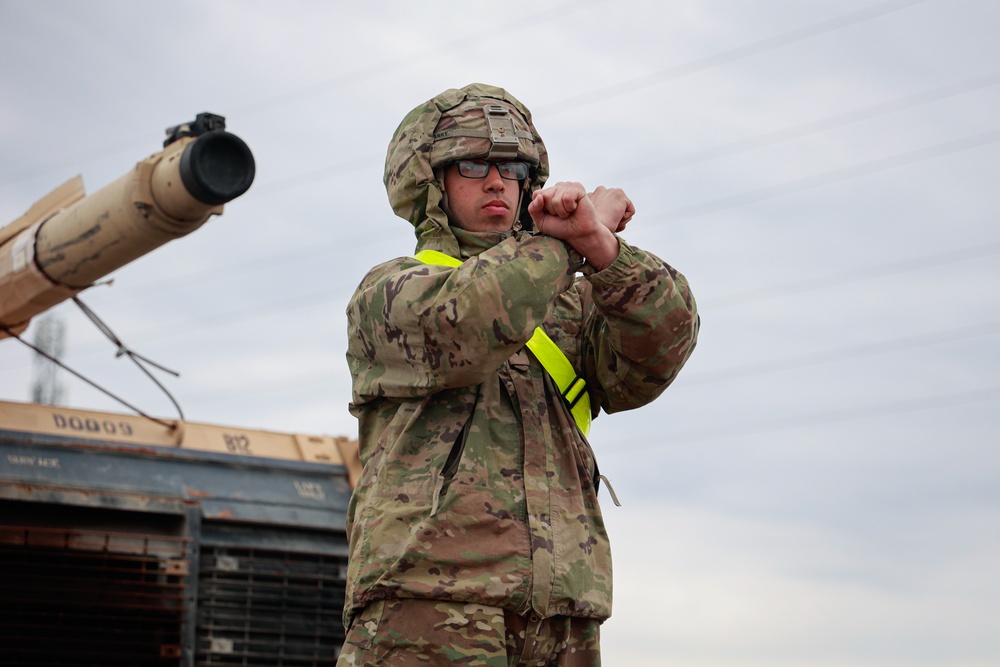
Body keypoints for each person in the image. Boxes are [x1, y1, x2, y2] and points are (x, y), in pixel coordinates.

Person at [338, 83, 699, 666]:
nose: (496, 180)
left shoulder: (569, 304)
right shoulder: (392, 291)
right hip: (428, 605)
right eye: (471, 163)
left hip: (563, 614)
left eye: (512, 166)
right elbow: (473, 321)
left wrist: (603, 251)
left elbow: (661, 350)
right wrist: (567, 241)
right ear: (430, 180)